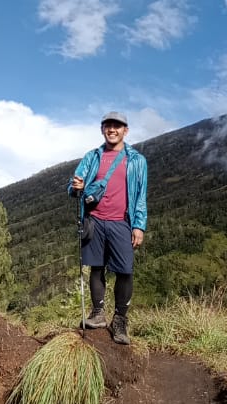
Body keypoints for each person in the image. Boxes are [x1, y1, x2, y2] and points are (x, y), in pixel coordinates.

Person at [67, 112, 149, 345]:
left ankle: (120, 320)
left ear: (126, 130)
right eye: (108, 126)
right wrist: (76, 187)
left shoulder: (136, 160)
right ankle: (98, 314)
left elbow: (141, 196)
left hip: (122, 222)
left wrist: (139, 226)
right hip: (94, 220)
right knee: (96, 268)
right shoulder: (92, 157)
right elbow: (73, 189)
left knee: (125, 271)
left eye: (117, 126)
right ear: (102, 129)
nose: (112, 130)